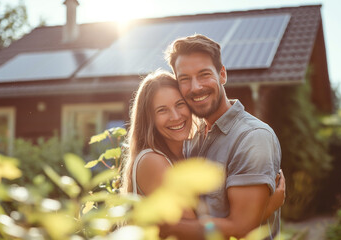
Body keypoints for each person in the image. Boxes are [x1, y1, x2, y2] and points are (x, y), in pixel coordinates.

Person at [120, 69, 284, 229]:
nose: (176, 116)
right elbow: (197, 234)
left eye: (180, 104)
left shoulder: (186, 154)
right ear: (150, 119)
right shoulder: (153, 161)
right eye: (162, 110)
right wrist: (264, 210)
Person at [158, 34, 283, 240]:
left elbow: (242, 229)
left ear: (222, 75)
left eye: (204, 74)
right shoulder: (189, 137)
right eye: (185, 79)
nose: (196, 87)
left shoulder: (253, 139)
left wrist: (168, 227)